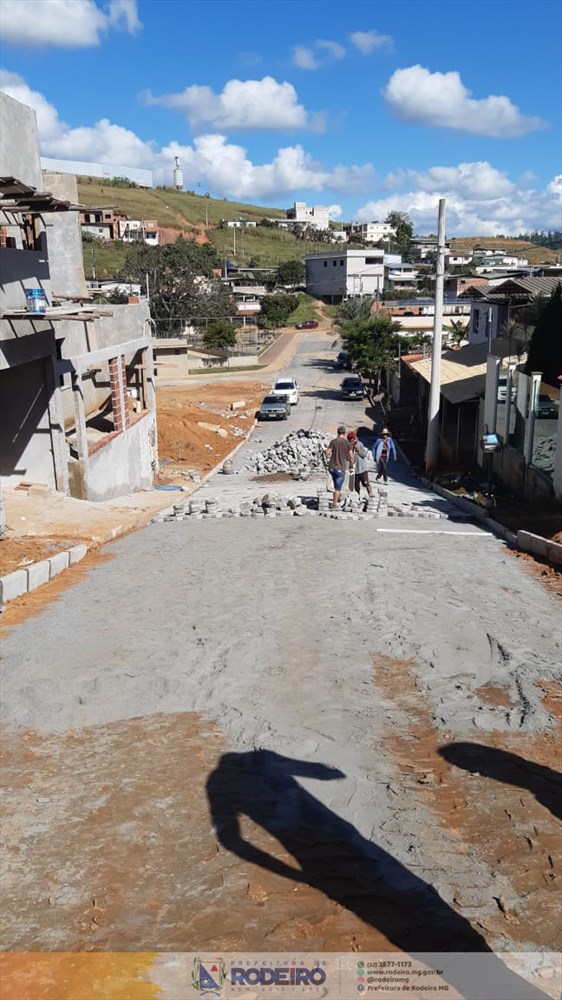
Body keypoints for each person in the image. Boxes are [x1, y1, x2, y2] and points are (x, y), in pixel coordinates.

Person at [323, 425, 354, 509]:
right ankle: (334, 504)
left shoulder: (333, 442)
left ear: (338, 433)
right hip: (340, 468)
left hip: (332, 468)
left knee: (336, 485)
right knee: (338, 488)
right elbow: (351, 456)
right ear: (344, 433)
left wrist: (325, 451)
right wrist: (352, 464)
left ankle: (335, 500)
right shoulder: (347, 443)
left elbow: (328, 453)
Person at [347, 431, 373, 497]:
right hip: (354, 471)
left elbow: (364, 454)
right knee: (356, 486)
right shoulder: (348, 447)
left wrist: (358, 450)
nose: (351, 442)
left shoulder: (360, 444)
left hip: (362, 469)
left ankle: (370, 495)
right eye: (350, 441)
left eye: (352, 441)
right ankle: (357, 499)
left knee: (366, 484)